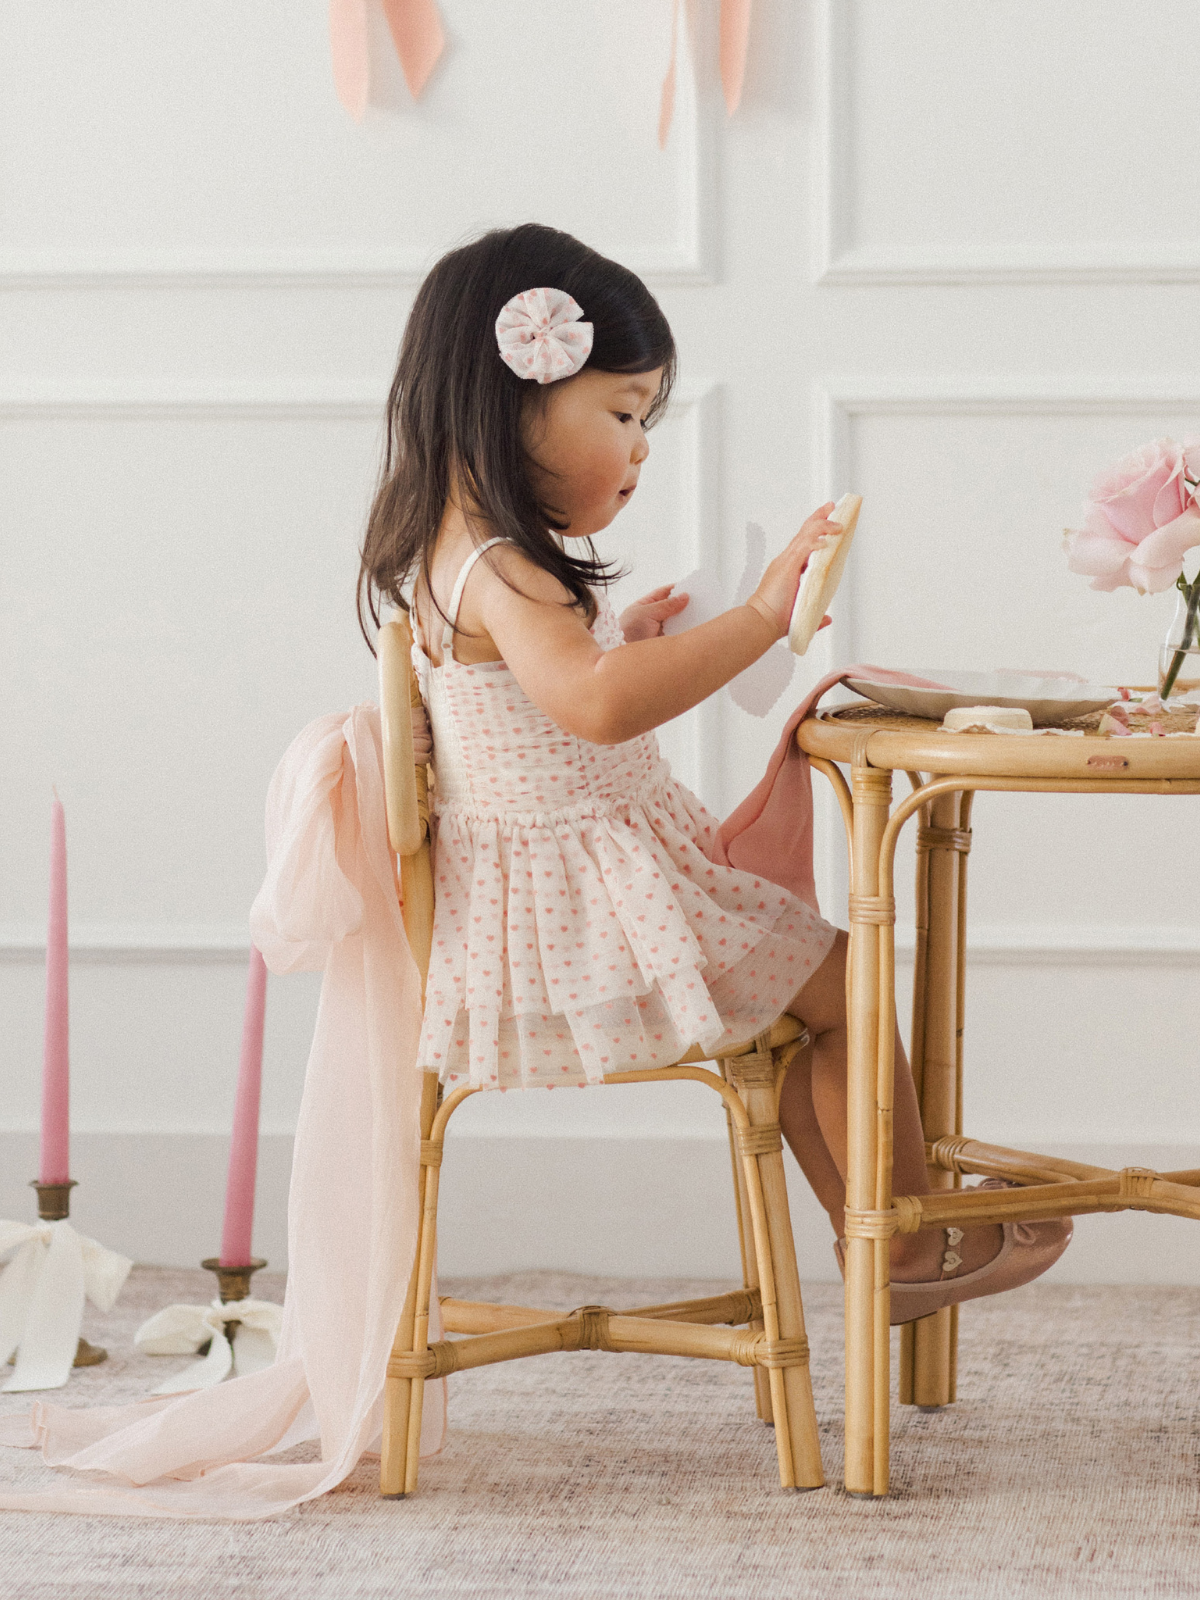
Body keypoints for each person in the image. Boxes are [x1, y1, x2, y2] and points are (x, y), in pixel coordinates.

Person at [358, 222, 1071, 1321]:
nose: (641, 448)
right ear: (512, 401)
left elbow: (553, 688)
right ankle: (910, 1229)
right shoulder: (505, 566)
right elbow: (593, 707)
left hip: (541, 913)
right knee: (844, 981)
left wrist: (628, 635)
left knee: (797, 1009)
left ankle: (889, 1242)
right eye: (624, 413)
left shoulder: (458, 550)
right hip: (582, 921)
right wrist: (758, 618)